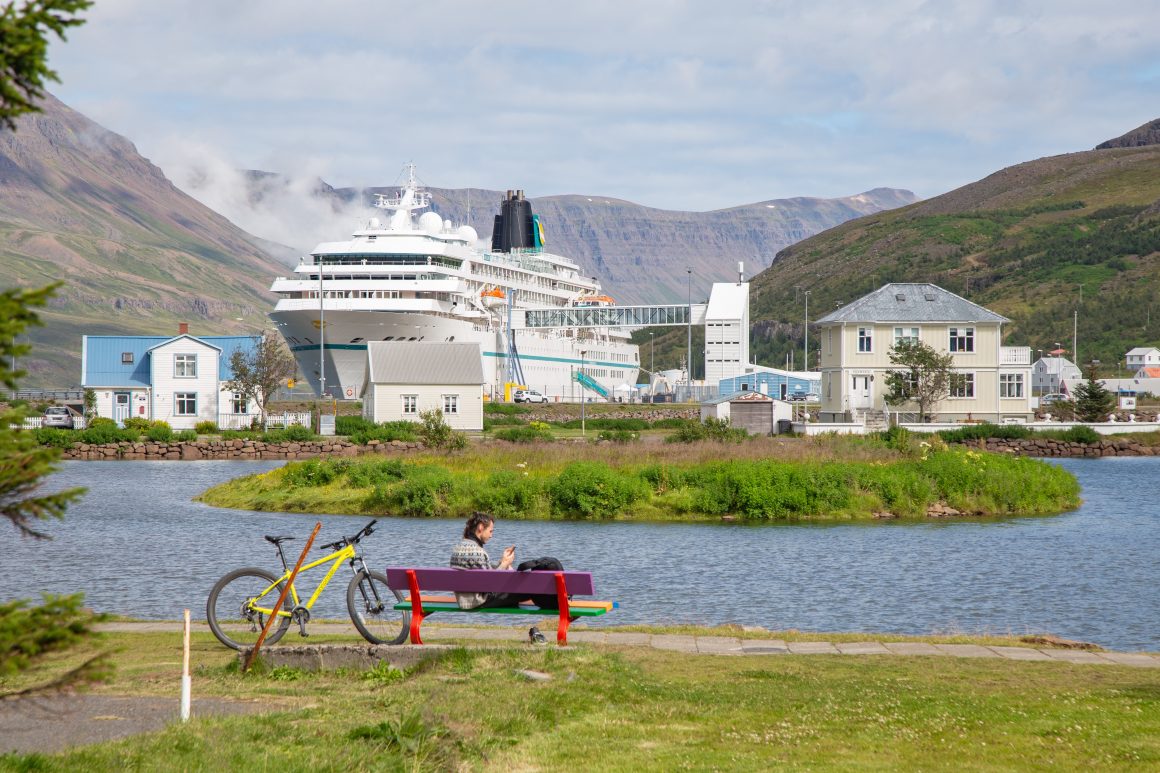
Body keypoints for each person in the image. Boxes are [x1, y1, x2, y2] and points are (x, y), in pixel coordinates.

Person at [450, 511, 526, 609]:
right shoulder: (479, 552)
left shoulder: (457, 548)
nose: (491, 536)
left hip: (463, 600)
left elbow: (484, 570)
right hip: (478, 601)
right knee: (526, 590)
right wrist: (504, 564)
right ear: (481, 527)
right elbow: (490, 584)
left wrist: (502, 562)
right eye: (490, 531)